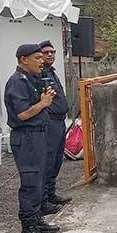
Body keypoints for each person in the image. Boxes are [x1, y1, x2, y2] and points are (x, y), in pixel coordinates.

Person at [4, 44, 60, 233]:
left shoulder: (33, 80)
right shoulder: (17, 83)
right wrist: (44, 103)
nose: (42, 61)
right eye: (37, 57)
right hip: (27, 137)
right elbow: (22, 114)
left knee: (39, 180)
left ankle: (36, 219)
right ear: (23, 60)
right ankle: (28, 229)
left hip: (38, 135)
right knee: (30, 183)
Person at [38, 40, 72, 210]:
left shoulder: (51, 72)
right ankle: (44, 200)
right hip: (49, 120)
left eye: (52, 52)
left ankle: (51, 193)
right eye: (46, 53)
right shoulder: (40, 74)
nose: (50, 55)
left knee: (57, 159)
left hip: (59, 120)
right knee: (48, 160)